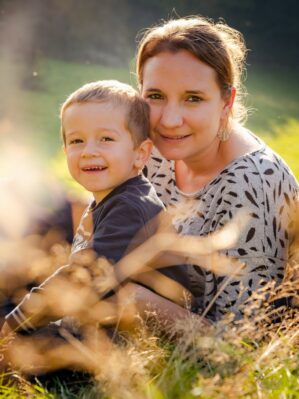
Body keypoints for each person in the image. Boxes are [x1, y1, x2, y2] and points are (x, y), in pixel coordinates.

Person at [120, 15, 299, 322]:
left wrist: (134, 300)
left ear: (226, 101)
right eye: (156, 96)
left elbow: (240, 344)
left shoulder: (251, 185)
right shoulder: (151, 150)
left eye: (193, 98)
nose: (170, 120)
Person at [2, 80, 193, 335]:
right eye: (77, 140)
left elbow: (85, 275)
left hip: (142, 332)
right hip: (107, 317)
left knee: (27, 342)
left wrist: (14, 324)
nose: (89, 151)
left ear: (141, 153)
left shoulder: (131, 206)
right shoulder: (107, 199)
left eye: (106, 139)